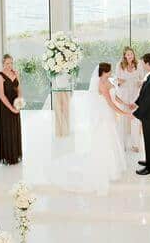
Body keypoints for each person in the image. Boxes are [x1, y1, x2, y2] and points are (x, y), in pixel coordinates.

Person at [50, 63, 130, 195]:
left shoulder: (108, 81)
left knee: (112, 138)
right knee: (105, 140)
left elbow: (115, 97)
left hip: (109, 114)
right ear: (104, 72)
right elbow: (110, 103)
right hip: (105, 114)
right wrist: (125, 113)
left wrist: (125, 104)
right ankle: (106, 169)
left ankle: (114, 167)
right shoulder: (101, 85)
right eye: (109, 71)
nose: (111, 73)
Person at [114, 46, 143, 152]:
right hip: (124, 96)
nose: (130, 56)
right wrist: (119, 82)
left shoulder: (138, 64)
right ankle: (122, 144)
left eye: (131, 54)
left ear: (133, 55)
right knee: (123, 120)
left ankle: (135, 145)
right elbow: (115, 81)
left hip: (135, 96)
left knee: (135, 120)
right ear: (124, 56)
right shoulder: (119, 65)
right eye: (127, 54)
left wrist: (141, 83)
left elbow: (142, 79)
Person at [0, 53, 22, 165]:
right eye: (7, 63)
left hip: (16, 104)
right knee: (7, 130)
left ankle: (15, 155)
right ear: (3, 64)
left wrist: (19, 104)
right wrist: (12, 109)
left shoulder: (16, 73)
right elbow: (2, 96)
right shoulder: (0, 76)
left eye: (11, 63)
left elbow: (19, 90)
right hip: (6, 106)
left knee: (15, 129)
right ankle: (8, 157)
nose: (10, 65)